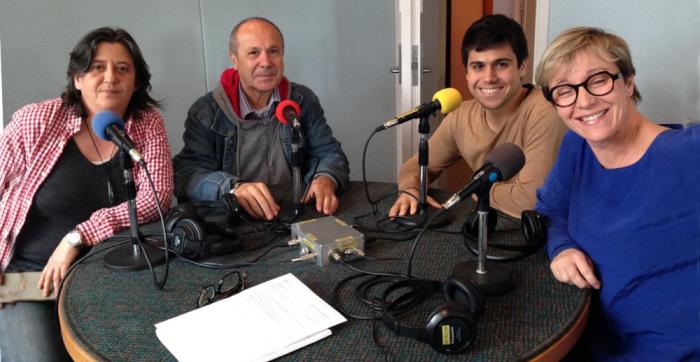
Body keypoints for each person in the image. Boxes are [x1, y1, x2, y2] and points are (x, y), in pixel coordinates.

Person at [0, 27, 174, 360]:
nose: (110, 77)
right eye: (98, 67)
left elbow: (158, 197)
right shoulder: (35, 120)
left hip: (110, 276)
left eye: (122, 68)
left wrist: (78, 236)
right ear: (77, 78)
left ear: (136, 81)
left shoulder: (147, 124)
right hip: (29, 280)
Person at [534, 27, 700, 360]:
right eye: (565, 91)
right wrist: (561, 247)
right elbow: (551, 211)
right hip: (586, 337)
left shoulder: (687, 153)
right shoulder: (577, 147)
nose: (584, 101)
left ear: (628, 81)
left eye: (598, 80)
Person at [389, 14, 566, 219]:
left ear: (523, 67)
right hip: (487, 222)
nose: (489, 78)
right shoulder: (460, 115)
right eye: (478, 66)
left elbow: (531, 200)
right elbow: (415, 167)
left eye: (501, 64)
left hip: (541, 233)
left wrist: (475, 189)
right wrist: (411, 190)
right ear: (467, 73)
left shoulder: (546, 112)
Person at [173, 17, 349, 221]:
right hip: (237, 222)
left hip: (294, 214)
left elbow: (328, 151)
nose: (266, 62)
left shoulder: (303, 101)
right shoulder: (206, 111)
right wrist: (233, 188)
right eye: (253, 53)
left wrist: (325, 179)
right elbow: (188, 174)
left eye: (273, 51)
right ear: (234, 59)